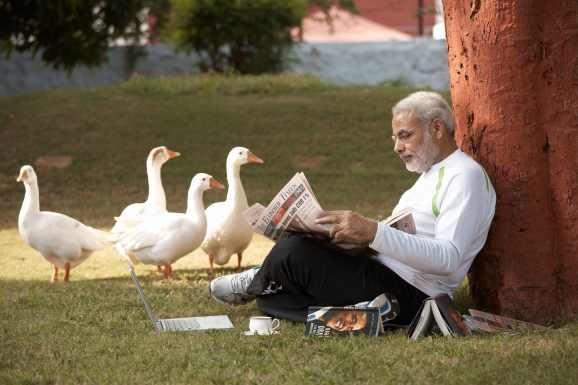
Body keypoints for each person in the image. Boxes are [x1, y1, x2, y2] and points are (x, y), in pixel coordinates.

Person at [209, 91, 496, 326]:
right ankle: (364, 315)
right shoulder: (425, 179)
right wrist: (348, 239)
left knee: (293, 252)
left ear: (436, 128)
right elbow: (393, 240)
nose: (397, 147)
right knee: (272, 298)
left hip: (416, 292)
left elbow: (449, 258)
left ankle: (261, 277)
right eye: (395, 138)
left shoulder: (464, 175)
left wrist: (373, 232)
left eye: (405, 135)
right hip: (381, 274)